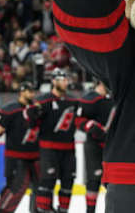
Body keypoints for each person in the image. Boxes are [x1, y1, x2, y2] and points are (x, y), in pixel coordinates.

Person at [24, 68, 80, 213]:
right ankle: (43, 210)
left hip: (69, 149)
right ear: (54, 81)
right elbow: (31, 122)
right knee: (47, 182)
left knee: (68, 182)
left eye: (66, 79)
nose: (65, 82)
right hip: (48, 149)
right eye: (62, 79)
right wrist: (32, 115)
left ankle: (63, 210)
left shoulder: (73, 101)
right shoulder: (43, 100)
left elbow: (81, 120)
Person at [0, 81, 39, 213]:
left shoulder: (38, 109)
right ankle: (2, 211)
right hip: (16, 157)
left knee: (41, 188)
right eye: (29, 91)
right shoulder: (10, 109)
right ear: (21, 92)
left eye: (33, 91)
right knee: (15, 188)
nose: (32, 94)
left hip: (36, 156)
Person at [76, 80, 116, 213]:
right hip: (95, 146)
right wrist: (90, 126)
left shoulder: (116, 96)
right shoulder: (90, 99)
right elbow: (78, 120)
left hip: (113, 146)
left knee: (114, 182)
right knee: (93, 180)